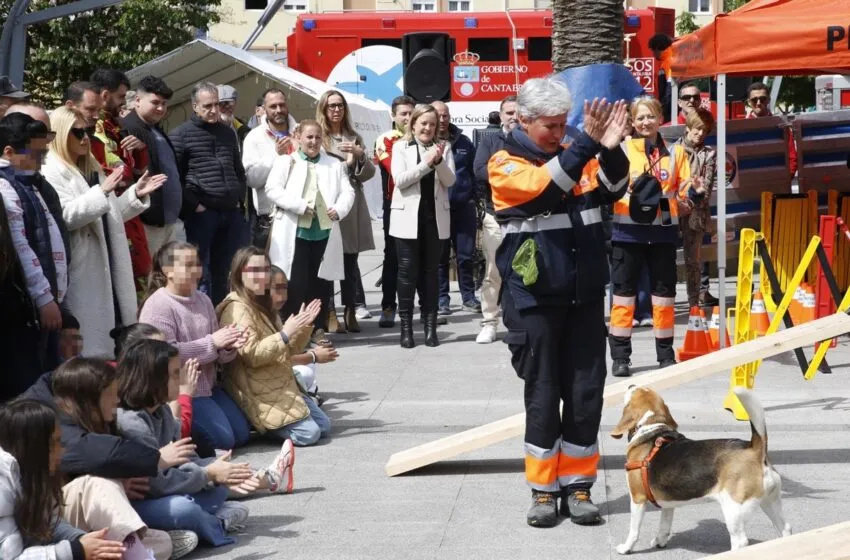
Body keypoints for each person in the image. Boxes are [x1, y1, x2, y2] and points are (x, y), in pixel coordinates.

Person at [488, 76, 631, 527]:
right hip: (534, 300)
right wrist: (587, 143)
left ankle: (579, 484)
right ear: (524, 120)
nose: (558, 132)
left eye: (562, 124)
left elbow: (617, 186)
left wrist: (608, 147)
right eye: (550, 126)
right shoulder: (504, 162)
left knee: (586, 394)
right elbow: (549, 188)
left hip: (584, 295)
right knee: (544, 395)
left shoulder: (578, 152)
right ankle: (544, 490)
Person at [22, 358, 184, 559]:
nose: (117, 400)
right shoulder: (50, 421)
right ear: (89, 399)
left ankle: (130, 551)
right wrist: (157, 459)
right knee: (100, 485)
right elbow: (95, 457)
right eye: (110, 394)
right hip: (49, 520)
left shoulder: (99, 421)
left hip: (75, 524)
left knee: (164, 541)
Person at [115, 339, 272, 548]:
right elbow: (155, 485)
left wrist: (215, 471)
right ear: (153, 379)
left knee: (222, 481)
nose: (180, 380)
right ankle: (217, 523)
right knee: (183, 508)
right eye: (174, 374)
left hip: (168, 487)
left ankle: (193, 521)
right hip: (139, 502)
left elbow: (184, 457)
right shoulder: (131, 422)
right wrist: (208, 474)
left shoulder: (160, 410)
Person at [42, 107, 166, 359]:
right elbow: (64, 217)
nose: (86, 138)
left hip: (108, 262)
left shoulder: (91, 168)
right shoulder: (51, 170)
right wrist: (102, 192)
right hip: (84, 266)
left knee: (115, 335)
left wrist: (134, 195)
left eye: (88, 131)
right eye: (78, 133)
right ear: (60, 135)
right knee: (89, 345)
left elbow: (108, 217)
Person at [609, 97, 705, 378]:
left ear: (659, 117)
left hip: (663, 232)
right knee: (623, 297)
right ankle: (620, 357)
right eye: (639, 118)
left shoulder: (676, 154)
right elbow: (611, 187)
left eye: (649, 116)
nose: (645, 122)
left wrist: (696, 191)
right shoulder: (624, 150)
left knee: (664, 296)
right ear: (632, 122)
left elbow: (685, 190)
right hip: (627, 232)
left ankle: (665, 354)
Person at [138, 241, 251, 457]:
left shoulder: (204, 299)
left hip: (208, 387)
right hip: (179, 391)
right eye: (187, 265)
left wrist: (229, 345)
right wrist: (213, 342)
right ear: (167, 270)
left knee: (242, 434)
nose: (195, 271)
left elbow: (217, 352)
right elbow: (163, 354)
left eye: (197, 264)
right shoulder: (158, 305)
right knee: (224, 439)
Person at [217, 246, 332, 446]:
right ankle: (262, 427)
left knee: (324, 426)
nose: (262, 276)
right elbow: (252, 355)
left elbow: (287, 351)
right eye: (255, 271)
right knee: (309, 434)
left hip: (279, 381)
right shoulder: (236, 309)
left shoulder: (261, 304)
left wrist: (304, 326)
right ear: (239, 273)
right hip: (257, 387)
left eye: (265, 269)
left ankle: (278, 424)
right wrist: (285, 334)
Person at [0, 398, 130, 560]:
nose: (61, 451)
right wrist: (76, 550)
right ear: (34, 448)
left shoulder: (31, 477)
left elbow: (48, 522)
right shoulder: (3, 483)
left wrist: (82, 540)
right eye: (55, 443)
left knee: (162, 541)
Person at [265, 119, 355, 345]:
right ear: (299, 137)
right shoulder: (287, 162)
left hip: (323, 233)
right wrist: (299, 205)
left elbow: (348, 192)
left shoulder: (333, 164)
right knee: (295, 283)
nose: (313, 142)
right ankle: (293, 330)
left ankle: (316, 329)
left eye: (317, 137)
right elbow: (272, 189)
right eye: (309, 137)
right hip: (295, 233)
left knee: (320, 284)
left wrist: (339, 209)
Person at [170, 82, 248, 306]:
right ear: (195, 106)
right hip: (203, 214)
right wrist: (194, 205)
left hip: (231, 212)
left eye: (217, 104)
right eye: (208, 106)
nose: (214, 110)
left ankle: (226, 318)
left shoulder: (227, 133)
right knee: (201, 271)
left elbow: (238, 169)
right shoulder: (180, 135)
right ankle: (205, 323)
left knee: (231, 270)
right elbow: (175, 177)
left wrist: (238, 198)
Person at [0, 113, 67, 374]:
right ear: (8, 151)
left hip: (45, 299)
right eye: (36, 154)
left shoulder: (28, 183)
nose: (42, 161)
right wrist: (43, 297)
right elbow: (21, 245)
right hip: (26, 307)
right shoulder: (5, 187)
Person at [390, 104, 455, 348]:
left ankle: (430, 327)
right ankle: (406, 328)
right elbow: (401, 181)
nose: (428, 128)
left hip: (434, 219)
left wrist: (438, 162)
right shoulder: (400, 147)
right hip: (407, 219)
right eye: (423, 123)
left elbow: (450, 180)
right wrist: (426, 164)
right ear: (413, 124)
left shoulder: (444, 147)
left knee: (431, 274)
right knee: (406, 273)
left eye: (432, 123)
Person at [316, 89, 376, 333]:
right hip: (328, 201)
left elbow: (369, 173)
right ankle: (330, 312)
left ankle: (351, 308)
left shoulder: (354, 136)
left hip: (351, 202)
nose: (336, 109)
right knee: (328, 259)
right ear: (324, 109)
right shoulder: (320, 137)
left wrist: (360, 157)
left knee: (350, 260)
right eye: (331, 105)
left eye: (340, 105)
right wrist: (345, 165)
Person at [90, 69, 151, 299]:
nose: (124, 103)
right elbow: (116, 172)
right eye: (121, 97)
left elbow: (134, 168)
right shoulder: (97, 129)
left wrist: (140, 149)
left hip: (128, 208)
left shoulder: (117, 125)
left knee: (140, 270)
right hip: (112, 209)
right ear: (105, 95)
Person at [121, 76, 185, 257]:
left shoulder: (155, 128)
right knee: (150, 278)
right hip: (147, 221)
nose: (161, 108)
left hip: (167, 220)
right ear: (138, 101)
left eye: (164, 104)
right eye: (155, 102)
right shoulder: (129, 128)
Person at [472, 95, 517, 344]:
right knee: (493, 271)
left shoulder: (530, 140)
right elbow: (480, 170)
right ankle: (489, 322)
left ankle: (519, 322)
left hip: (525, 216)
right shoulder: (490, 141)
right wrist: (512, 175)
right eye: (508, 112)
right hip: (495, 215)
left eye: (516, 112)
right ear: (500, 116)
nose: (512, 116)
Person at [431, 101, 479, 317]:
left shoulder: (464, 142)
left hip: (463, 208)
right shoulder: (425, 142)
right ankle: (442, 299)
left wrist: (474, 199)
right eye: (438, 116)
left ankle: (468, 296)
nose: (442, 120)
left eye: (445, 115)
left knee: (466, 256)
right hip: (437, 208)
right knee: (440, 257)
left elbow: (474, 173)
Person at [269, 265, 338, 405]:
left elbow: (288, 351)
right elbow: (274, 359)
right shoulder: (251, 315)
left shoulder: (273, 314)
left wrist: (305, 326)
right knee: (305, 371)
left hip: (275, 373)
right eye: (277, 289)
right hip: (262, 381)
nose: (283, 296)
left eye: (285, 288)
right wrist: (313, 356)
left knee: (308, 368)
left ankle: (307, 395)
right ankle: (306, 397)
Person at [374, 95, 416, 328]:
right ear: (393, 116)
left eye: (411, 113)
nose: (408, 118)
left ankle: (421, 307)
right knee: (393, 257)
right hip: (395, 205)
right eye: (404, 114)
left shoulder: (422, 136)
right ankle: (388, 306)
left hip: (420, 205)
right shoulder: (385, 139)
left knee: (419, 259)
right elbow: (394, 171)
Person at [242, 88, 298, 250]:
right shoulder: (254, 137)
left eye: (282, 105)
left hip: (301, 214)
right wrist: (276, 155)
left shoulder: (302, 132)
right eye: (273, 106)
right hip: (270, 217)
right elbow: (251, 178)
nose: (279, 110)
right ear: (264, 109)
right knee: (269, 271)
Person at [677, 107, 718, 308]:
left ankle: (694, 303)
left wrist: (692, 200)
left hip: (695, 213)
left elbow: (707, 188)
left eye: (705, 130)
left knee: (693, 261)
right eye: (697, 128)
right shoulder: (673, 149)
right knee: (664, 258)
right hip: (672, 208)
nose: (700, 133)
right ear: (688, 128)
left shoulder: (709, 154)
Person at [746, 81, 798, 178]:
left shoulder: (781, 126)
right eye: (754, 100)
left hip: (778, 183)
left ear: (768, 99)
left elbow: (792, 156)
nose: (758, 103)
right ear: (749, 102)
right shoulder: (742, 128)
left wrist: (787, 178)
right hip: (750, 184)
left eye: (762, 99)